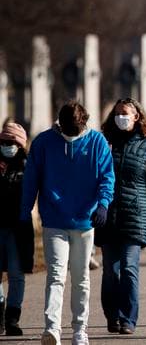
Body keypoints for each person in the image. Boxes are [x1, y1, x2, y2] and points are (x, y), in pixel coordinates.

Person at [21, 100, 115, 345]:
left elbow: (107, 176)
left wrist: (103, 203)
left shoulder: (97, 141)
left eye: (76, 130)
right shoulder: (43, 142)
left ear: (84, 124)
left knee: (81, 277)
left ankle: (80, 329)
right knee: (56, 275)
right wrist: (25, 210)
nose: (72, 135)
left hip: (85, 220)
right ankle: (52, 328)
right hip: (54, 219)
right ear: (60, 124)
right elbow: (31, 179)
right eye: (67, 130)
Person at [96, 98, 146, 335]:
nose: (121, 117)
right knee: (110, 272)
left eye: (125, 113)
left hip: (135, 215)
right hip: (108, 216)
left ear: (136, 117)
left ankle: (128, 319)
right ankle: (112, 315)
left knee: (129, 268)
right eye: (117, 113)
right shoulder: (104, 145)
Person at [0, 122, 33, 336]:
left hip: (19, 227)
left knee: (16, 273)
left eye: (11, 142)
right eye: (3, 142)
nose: (7, 146)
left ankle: (12, 318)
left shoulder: (28, 166)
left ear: (20, 145)